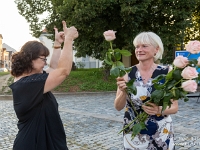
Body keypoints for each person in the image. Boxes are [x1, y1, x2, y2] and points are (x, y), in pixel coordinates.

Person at [9, 21, 78, 150]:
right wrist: (69, 40)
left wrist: (57, 44)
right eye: (43, 59)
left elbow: (52, 68)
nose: (45, 63)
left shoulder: (30, 80)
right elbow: (62, 71)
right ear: (30, 59)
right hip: (34, 145)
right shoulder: (28, 85)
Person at [115, 32, 178, 150]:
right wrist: (123, 92)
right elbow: (118, 107)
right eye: (137, 47)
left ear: (156, 49)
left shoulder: (167, 72)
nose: (139, 50)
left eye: (144, 46)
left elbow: (174, 107)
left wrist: (158, 109)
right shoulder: (126, 73)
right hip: (134, 132)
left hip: (161, 132)